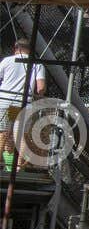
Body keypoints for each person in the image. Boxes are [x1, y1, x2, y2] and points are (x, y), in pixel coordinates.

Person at [0, 40, 47, 170]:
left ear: (16, 48)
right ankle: (19, 166)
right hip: (23, 104)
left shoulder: (7, 61)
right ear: (30, 50)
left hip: (4, 101)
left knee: (3, 133)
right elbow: (40, 88)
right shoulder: (37, 64)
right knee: (20, 135)